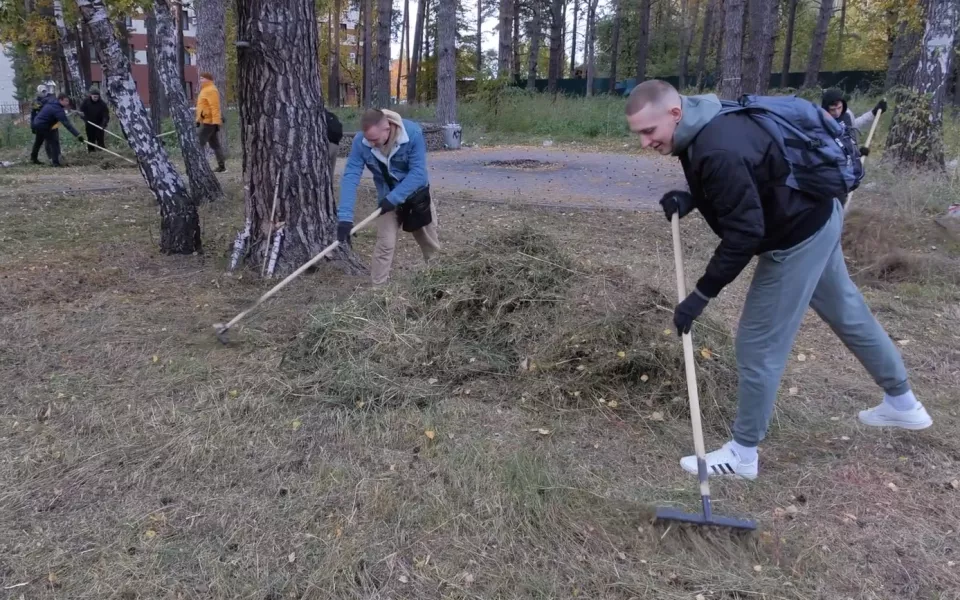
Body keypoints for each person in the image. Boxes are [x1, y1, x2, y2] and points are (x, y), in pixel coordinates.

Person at [624, 80, 932, 480]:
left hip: (797, 236)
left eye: (649, 132)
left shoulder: (715, 147)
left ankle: (743, 455)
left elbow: (744, 234)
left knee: (757, 345)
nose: (645, 142)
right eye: (639, 134)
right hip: (818, 214)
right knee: (846, 309)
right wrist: (694, 197)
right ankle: (904, 404)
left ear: (675, 114)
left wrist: (700, 296)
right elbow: (753, 171)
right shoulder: (709, 117)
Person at [337, 108, 440, 285]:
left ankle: (441, 281)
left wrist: (394, 198)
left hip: (416, 196)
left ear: (387, 127)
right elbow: (351, 176)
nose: (372, 144)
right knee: (385, 245)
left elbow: (418, 174)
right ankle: (378, 292)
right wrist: (345, 218)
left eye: (375, 139)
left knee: (429, 244)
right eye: (368, 139)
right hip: (387, 198)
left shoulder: (412, 133)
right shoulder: (361, 142)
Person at [32, 93, 85, 167]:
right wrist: (78, 135)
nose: (67, 103)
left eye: (68, 101)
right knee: (54, 143)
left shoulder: (52, 102)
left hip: (37, 123)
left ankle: (33, 158)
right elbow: (67, 125)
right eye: (66, 101)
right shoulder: (58, 110)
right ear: (60, 100)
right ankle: (55, 163)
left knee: (38, 142)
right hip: (44, 126)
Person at [821, 88, 886, 144]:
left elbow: (855, 126)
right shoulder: (819, 120)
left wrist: (873, 113)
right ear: (825, 109)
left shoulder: (847, 114)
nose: (837, 113)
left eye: (839, 107)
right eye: (832, 110)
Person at [195, 72, 226, 173]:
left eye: (202, 78)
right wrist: (198, 120)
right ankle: (221, 166)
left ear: (208, 79)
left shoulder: (211, 90)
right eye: (200, 78)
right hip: (206, 121)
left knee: (198, 143)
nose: (200, 80)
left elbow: (214, 107)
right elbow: (202, 107)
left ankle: (199, 167)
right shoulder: (205, 90)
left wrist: (216, 122)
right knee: (215, 144)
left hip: (210, 122)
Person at [30, 85, 57, 165]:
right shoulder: (36, 102)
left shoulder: (50, 99)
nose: (44, 93)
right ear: (38, 92)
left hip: (50, 124)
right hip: (40, 125)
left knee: (51, 142)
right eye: (42, 91)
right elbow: (33, 114)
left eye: (45, 91)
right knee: (38, 142)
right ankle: (34, 158)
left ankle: (53, 158)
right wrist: (33, 125)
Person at [79, 86, 110, 152]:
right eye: (94, 97)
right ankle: (91, 152)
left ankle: (101, 151)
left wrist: (103, 124)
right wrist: (84, 118)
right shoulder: (86, 102)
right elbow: (81, 112)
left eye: (97, 97)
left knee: (100, 139)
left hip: (99, 124)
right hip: (89, 124)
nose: (96, 98)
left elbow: (106, 115)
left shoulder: (102, 104)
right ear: (91, 95)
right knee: (91, 138)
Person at [325, 107, 344, 180]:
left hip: (328, 144)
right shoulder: (332, 115)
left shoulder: (321, 117)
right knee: (331, 170)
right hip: (336, 144)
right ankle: (330, 187)